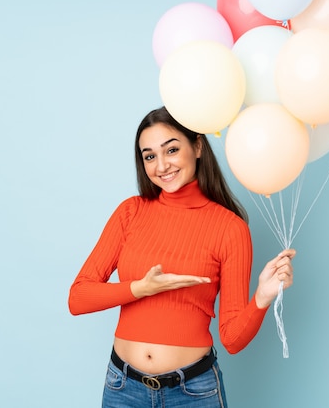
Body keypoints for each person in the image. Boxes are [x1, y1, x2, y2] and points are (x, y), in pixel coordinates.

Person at [68, 106, 295, 408]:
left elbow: (232, 339)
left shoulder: (230, 228)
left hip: (193, 393)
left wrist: (262, 297)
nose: (161, 165)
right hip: (123, 389)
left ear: (198, 146)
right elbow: (77, 298)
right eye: (149, 156)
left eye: (171, 150)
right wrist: (141, 289)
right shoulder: (130, 212)